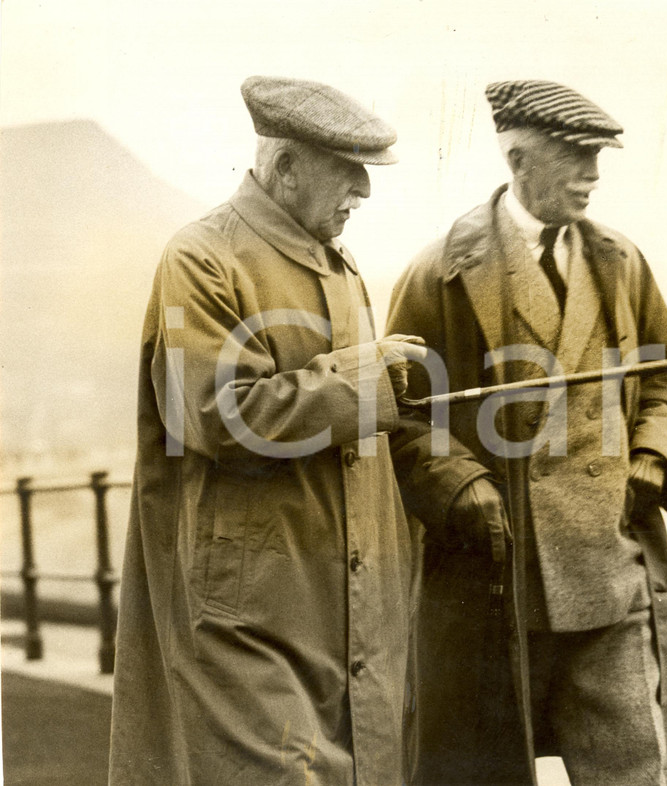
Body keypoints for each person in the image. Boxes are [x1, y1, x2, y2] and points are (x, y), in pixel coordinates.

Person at [388, 80, 667, 785]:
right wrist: (461, 481)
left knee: (636, 774)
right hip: (495, 587)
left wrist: (656, 455)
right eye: (575, 156)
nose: (593, 177)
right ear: (517, 156)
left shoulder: (621, 261)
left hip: (609, 574)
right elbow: (403, 411)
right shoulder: (440, 269)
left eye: (597, 158)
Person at [109, 75, 426, 785]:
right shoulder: (199, 259)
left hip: (341, 605)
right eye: (348, 172)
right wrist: (369, 380)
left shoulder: (339, 266)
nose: (365, 193)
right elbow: (218, 413)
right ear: (286, 169)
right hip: (245, 613)